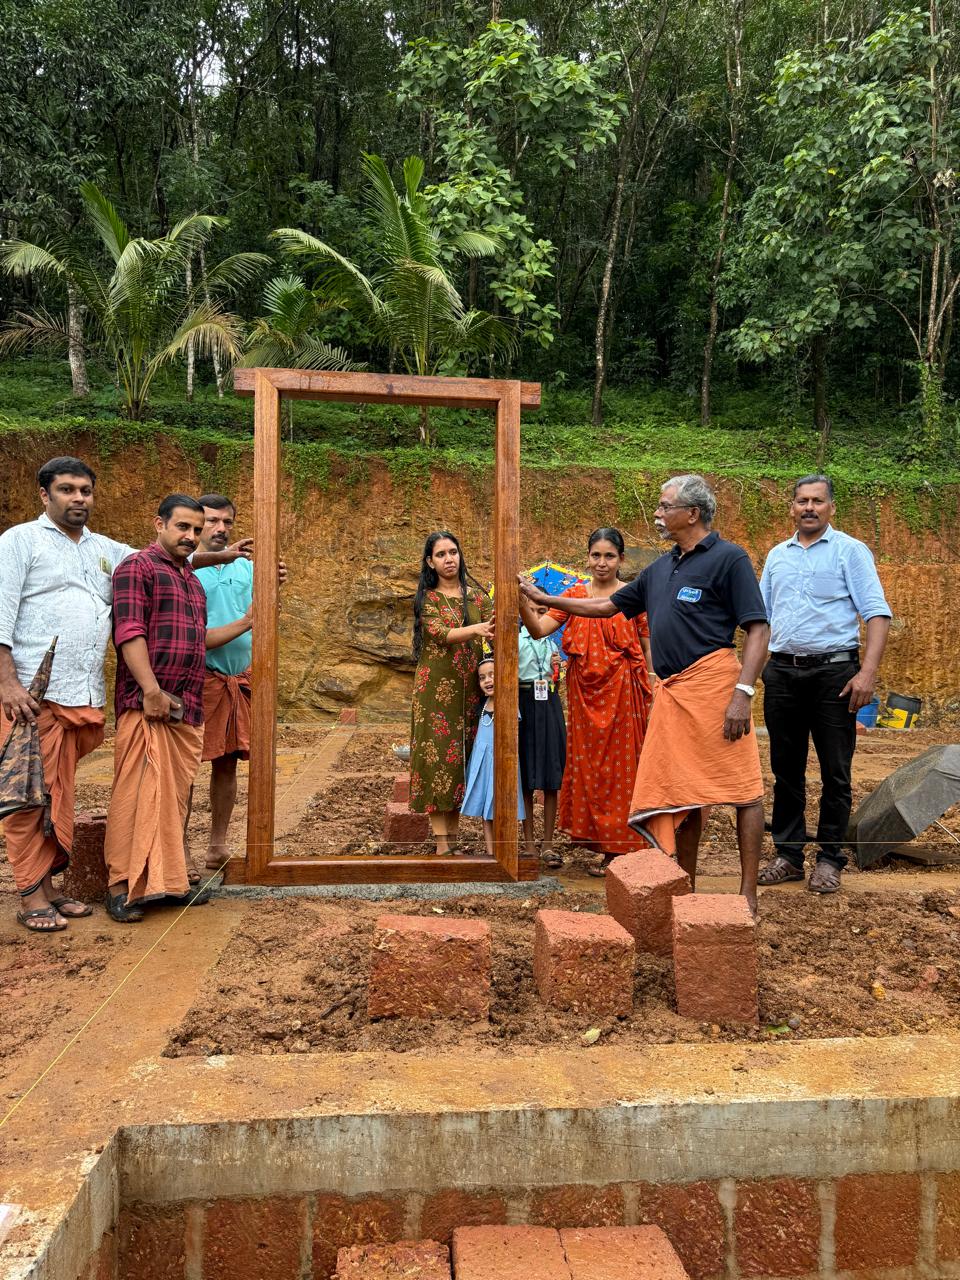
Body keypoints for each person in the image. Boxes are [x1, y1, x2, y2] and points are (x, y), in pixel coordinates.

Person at [521, 479, 769, 913]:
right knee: (682, 794)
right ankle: (686, 886)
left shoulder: (730, 559)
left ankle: (747, 891)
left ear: (692, 513)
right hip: (673, 691)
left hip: (714, 684)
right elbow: (605, 607)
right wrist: (542, 597)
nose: (656, 513)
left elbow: (758, 628)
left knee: (743, 789)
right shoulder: (661, 567)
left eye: (664, 505)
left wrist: (743, 693)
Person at [103, 496, 253, 922]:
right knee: (135, 795)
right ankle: (121, 887)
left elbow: (197, 640)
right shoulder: (138, 567)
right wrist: (149, 688)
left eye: (195, 529)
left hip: (185, 706)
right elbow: (129, 631)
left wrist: (246, 619)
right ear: (159, 524)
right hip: (149, 703)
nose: (189, 536)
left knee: (170, 799)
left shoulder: (188, 578)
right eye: (182, 527)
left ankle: (167, 882)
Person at [758, 474, 891, 894]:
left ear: (831, 507)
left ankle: (831, 859)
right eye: (802, 501)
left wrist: (865, 674)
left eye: (817, 501)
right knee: (786, 769)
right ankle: (789, 855)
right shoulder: (777, 556)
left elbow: (877, 614)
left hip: (835, 674)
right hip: (781, 672)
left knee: (836, 771)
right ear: (792, 508)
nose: (809, 508)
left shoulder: (850, 552)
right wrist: (746, 681)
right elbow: (761, 622)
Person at [519, 528, 652, 876]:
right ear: (587, 557)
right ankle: (600, 843)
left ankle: (622, 850)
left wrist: (655, 686)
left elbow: (648, 649)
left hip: (625, 694)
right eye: (596, 555)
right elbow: (537, 629)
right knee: (590, 768)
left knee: (624, 769)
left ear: (622, 559)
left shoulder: (634, 596)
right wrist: (520, 595)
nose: (602, 562)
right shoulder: (574, 595)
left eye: (609, 556)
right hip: (583, 696)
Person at [188, 493, 286, 872]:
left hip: (239, 678)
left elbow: (265, 609)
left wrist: (277, 583)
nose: (219, 528)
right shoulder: (187, 567)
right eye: (211, 521)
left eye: (226, 522)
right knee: (187, 765)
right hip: (200, 678)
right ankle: (179, 848)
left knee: (227, 764)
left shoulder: (248, 567)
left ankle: (217, 844)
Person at [409, 531, 494, 855]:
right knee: (437, 761)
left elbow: (497, 628)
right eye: (441, 554)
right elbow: (440, 633)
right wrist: (477, 629)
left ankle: (455, 842)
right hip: (434, 693)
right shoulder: (427, 599)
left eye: (453, 552)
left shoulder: (477, 597)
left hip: (471, 692)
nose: (449, 559)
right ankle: (442, 845)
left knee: (461, 761)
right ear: (430, 561)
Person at [460, 656, 525, 856]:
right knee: (485, 809)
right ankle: (490, 852)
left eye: (492, 675)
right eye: (482, 678)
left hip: (502, 762)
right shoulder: (482, 706)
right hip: (482, 762)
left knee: (503, 807)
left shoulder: (508, 703)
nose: (487, 681)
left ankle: (506, 851)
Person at [518, 605, 566, 867]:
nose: (538, 616)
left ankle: (548, 844)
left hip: (548, 703)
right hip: (524, 701)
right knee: (525, 775)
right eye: (532, 611)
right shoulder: (515, 640)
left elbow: (555, 681)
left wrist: (557, 670)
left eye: (543, 611)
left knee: (551, 774)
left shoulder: (552, 644)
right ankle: (527, 843)